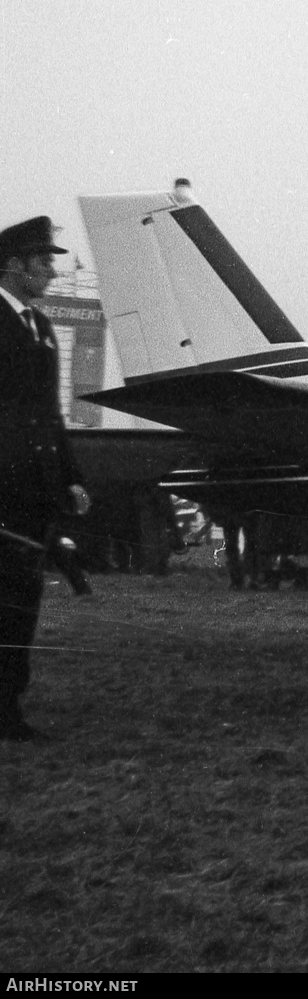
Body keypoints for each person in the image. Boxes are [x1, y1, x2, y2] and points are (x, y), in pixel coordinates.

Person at [0, 215, 90, 741]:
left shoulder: (39, 326)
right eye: (42, 263)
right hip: (4, 483)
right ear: (13, 265)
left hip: (32, 488)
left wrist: (70, 477)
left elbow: (49, 414)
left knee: (21, 596)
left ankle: (8, 702)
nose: (51, 274)